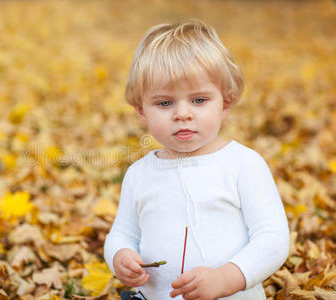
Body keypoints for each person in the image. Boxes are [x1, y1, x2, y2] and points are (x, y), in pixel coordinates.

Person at [104, 19, 290, 300]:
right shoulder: (139, 174)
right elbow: (122, 233)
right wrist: (120, 256)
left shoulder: (243, 165)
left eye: (199, 100)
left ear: (225, 103)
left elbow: (273, 240)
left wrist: (227, 278)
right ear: (141, 110)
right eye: (165, 103)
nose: (182, 114)